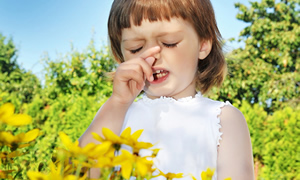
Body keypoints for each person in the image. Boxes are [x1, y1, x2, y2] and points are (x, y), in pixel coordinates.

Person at [79, 0, 254, 179]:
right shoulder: (117, 115)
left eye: (169, 43)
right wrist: (118, 102)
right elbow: (78, 172)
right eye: (136, 48)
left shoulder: (223, 118)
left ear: (203, 44)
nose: (152, 56)